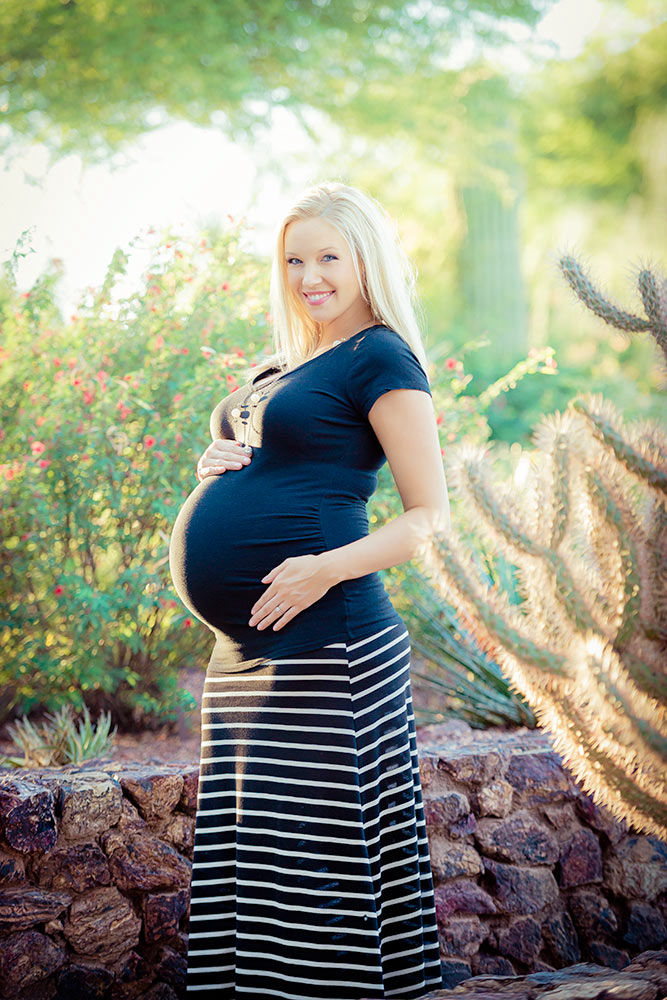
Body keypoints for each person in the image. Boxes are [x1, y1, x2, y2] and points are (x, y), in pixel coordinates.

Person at [168, 180, 450, 999]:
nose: (309, 275)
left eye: (329, 256)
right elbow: (278, 458)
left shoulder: (382, 356)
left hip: (330, 641)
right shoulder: (291, 363)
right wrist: (215, 459)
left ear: (366, 258)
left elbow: (428, 515)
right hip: (245, 648)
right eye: (295, 259)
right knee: (255, 848)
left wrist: (326, 566)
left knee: (312, 851)